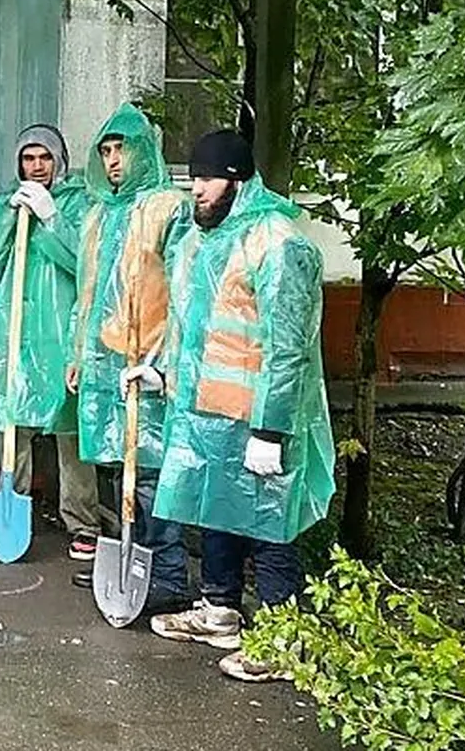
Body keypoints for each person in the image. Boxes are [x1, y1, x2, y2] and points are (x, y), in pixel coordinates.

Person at [148, 131, 336, 682]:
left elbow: (289, 344)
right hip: (205, 411)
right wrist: (160, 367)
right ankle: (220, 609)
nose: (196, 190)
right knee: (216, 506)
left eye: (206, 179)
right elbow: (191, 321)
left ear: (235, 178)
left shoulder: (277, 242)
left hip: (259, 414)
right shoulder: (203, 238)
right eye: (194, 179)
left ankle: (283, 636)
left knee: (268, 519)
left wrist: (271, 431)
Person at [0, 125, 101, 555]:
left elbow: (84, 263)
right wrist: (7, 215)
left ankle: (83, 521)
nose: (36, 167)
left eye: (44, 158)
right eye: (27, 159)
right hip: (14, 330)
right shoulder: (7, 203)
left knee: (68, 429)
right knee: (13, 421)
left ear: (60, 161)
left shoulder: (79, 205)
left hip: (61, 332)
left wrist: (51, 217)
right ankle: (12, 506)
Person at [67, 104, 192, 605]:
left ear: (144, 151)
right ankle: (126, 556)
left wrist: (163, 360)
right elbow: (88, 291)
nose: (114, 160)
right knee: (122, 465)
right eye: (106, 151)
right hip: (105, 360)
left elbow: (184, 292)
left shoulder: (168, 207)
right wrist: (79, 353)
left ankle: (165, 573)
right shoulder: (100, 214)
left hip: (149, 361)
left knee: (153, 472)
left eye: (122, 149)